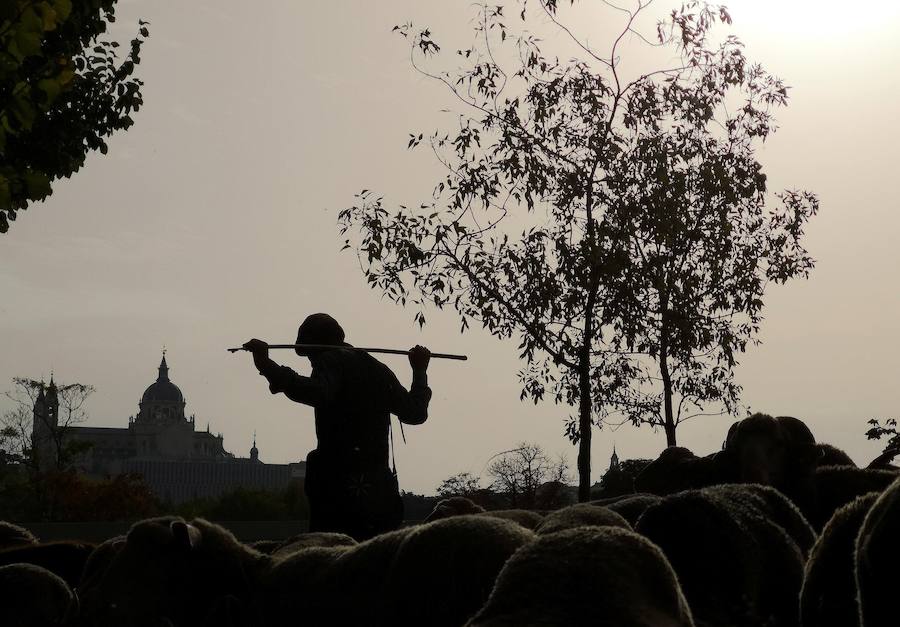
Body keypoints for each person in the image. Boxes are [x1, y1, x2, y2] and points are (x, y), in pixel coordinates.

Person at [242, 313, 431, 540]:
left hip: (338, 485)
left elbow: (317, 391)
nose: (312, 364)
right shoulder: (378, 369)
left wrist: (267, 365)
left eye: (311, 357)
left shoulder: (330, 359)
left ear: (318, 348)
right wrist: (419, 371)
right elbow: (415, 412)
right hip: (378, 489)